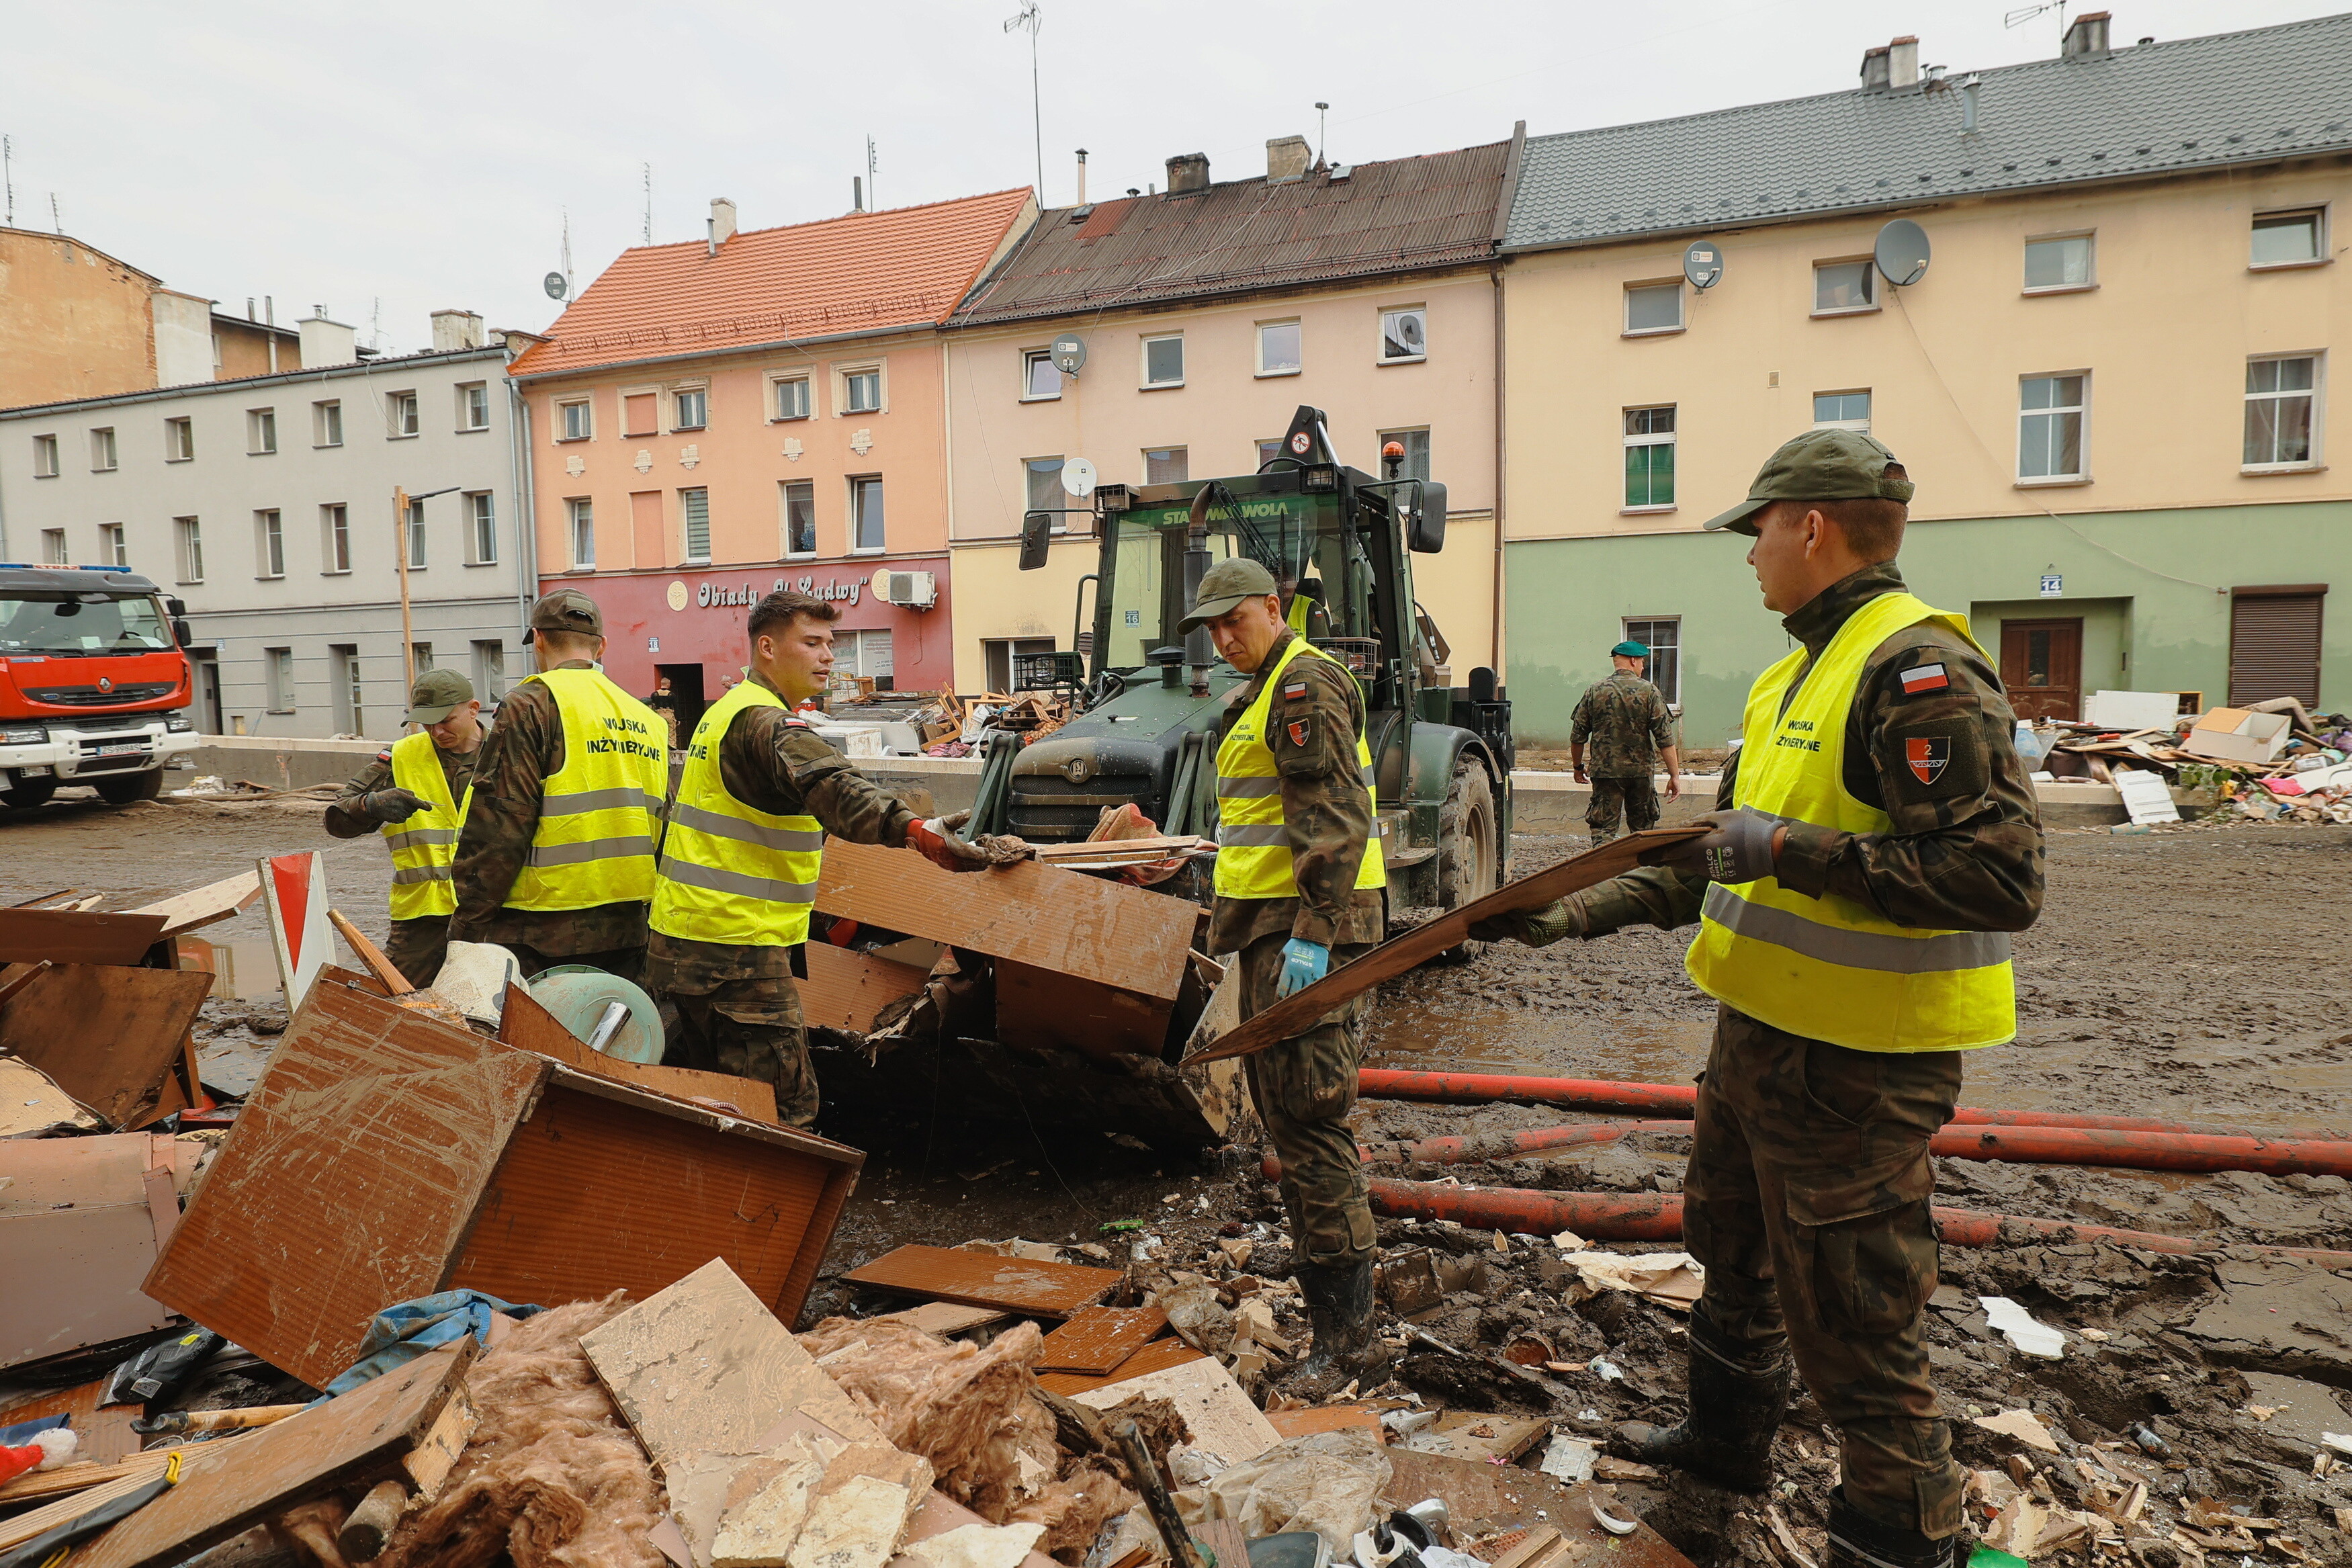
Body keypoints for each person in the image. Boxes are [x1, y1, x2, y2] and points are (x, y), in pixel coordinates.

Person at [1473, 431, 2043, 1568]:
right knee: (1728, 1245)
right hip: (1759, 1041)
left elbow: (2001, 874)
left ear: (1811, 527)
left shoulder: (1915, 667)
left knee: (1858, 1333)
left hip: (1858, 1067)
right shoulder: (1795, 672)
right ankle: (1727, 1443)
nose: (1749, 556)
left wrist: (1793, 848)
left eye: (1758, 531)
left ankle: (1894, 1541)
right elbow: (1712, 861)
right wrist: (1570, 911)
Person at [648, 590, 1002, 1126]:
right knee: (780, 1113)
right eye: (811, 642)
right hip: (737, 951)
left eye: (830, 643)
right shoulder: (767, 726)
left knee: (718, 1103)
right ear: (767, 648)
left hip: (688, 939)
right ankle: (773, 1209)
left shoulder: (724, 713)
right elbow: (835, 787)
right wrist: (914, 829)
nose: (828, 656)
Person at [1183, 556, 1387, 1397]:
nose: (1225, 638)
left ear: (1276, 606)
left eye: (1237, 620)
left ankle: (1349, 1343)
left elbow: (1334, 822)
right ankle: (1335, 1326)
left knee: (1310, 1125)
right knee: (1292, 1124)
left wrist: (1313, 935)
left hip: (1308, 941)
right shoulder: (1268, 690)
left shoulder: (1302, 688)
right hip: (1277, 938)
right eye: (1213, 628)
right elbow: (1258, 818)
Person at [447, 590, 669, 982]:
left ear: (539, 639)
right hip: (630, 927)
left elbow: (501, 822)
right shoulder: (648, 720)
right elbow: (665, 825)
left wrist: (468, 923)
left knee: (538, 1041)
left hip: (540, 930)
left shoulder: (531, 705)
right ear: (601, 647)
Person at [322, 669, 484, 987]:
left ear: (473, 709)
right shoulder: (401, 756)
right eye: (428, 723)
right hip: (424, 916)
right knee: (400, 1001)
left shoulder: (509, 754)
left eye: (447, 720)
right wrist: (371, 805)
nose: (437, 732)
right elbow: (336, 821)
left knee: (501, 1003)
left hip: (498, 908)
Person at [1569, 639, 1682, 843]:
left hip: (1606, 773)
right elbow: (1665, 739)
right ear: (1632, 661)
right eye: (1641, 661)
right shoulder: (1650, 692)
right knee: (1642, 832)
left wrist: (1578, 767)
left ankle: (1604, 871)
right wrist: (1675, 775)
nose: (1643, 666)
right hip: (1640, 774)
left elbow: (1578, 737)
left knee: (1603, 831)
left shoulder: (1594, 691)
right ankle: (1639, 872)